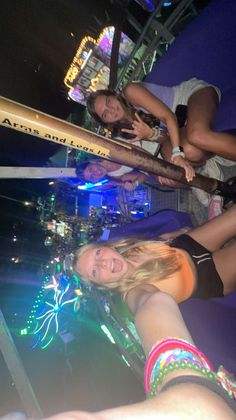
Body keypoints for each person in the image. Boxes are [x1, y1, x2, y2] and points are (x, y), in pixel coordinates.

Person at [74, 204, 236, 306]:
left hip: (189, 245)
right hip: (209, 278)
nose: (102, 263)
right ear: (101, 285)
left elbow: (163, 242)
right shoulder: (132, 293)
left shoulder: (129, 249)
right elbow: (146, 306)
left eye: (98, 253)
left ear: (107, 246)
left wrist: (179, 233)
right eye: (94, 272)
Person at [86, 80, 236, 179]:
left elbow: (168, 117)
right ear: (105, 122)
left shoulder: (130, 91)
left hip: (191, 97)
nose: (111, 110)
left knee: (197, 136)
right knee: (190, 151)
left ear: (114, 95)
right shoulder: (125, 130)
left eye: (108, 101)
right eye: (105, 114)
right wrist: (151, 135)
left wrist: (177, 153)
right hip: (180, 125)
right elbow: (164, 138)